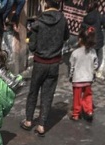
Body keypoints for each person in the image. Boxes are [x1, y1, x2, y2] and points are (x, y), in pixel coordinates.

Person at [20, 0, 69, 137]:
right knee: (47, 95)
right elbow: (66, 37)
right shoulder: (63, 20)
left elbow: (32, 46)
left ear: (45, 4)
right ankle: (41, 125)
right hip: (54, 64)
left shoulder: (38, 22)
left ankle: (29, 121)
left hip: (40, 63)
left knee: (33, 91)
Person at [69, 26, 98, 122]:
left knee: (77, 98)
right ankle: (89, 111)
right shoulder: (93, 52)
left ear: (80, 39)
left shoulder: (75, 53)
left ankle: (76, 114)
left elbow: (72, 67)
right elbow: (95, 65)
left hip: (77, 79)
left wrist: (70, 77)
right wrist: (93, 74)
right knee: (88, 96)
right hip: (88, 79)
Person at [81, 0, 105, 80]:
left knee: (88, 56)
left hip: (89, 40)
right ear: (96, 7)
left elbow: (82, 26)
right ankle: (94, 73)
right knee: (96, 57)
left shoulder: (86, 17)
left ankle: (88, 73)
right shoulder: (99, 16)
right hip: (97, 40)